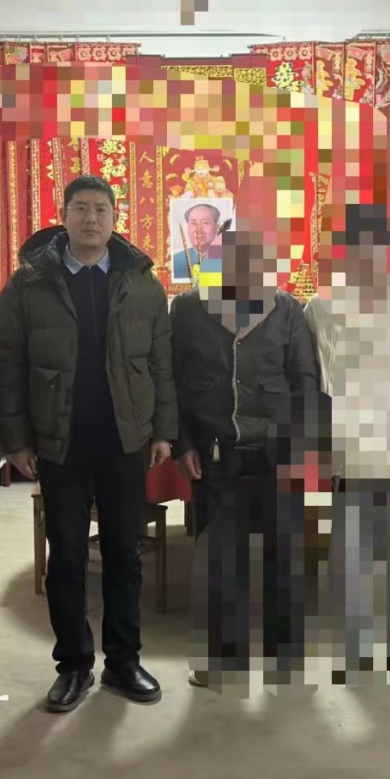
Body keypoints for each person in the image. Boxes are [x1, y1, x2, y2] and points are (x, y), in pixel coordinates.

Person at [0, 175, 177, 713]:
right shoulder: (29, 284)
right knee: (68, 556)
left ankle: (123, 660)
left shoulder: (141, 283)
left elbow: (160, 363)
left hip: (125, 438)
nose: (91, 218)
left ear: (115, 218)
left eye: (100, 209)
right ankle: (73, 664)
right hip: (60, 440)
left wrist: (163, 429)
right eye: (81, 209)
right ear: (64, 216)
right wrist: (16, 440)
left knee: (124, 552)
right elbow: (10, 366)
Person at [171, 222, 320, 692]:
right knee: (221, 560)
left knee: (284, 556)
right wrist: (183, 444)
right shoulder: (188, 309)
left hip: (278, 451)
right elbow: (171, 382)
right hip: (215, 452)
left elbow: (305, 381)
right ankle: (221, 657)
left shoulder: (286, 308)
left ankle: (285, 654)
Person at [304, 204, 390, 687]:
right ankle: (355, 648)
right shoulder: (321, 307)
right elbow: (315, 376)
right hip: (346, 445)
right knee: (350, 552)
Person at [173, 202, 224, 280]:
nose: (198, 229)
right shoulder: (176, 261)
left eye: (205, 223)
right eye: (193, 223)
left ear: (217, 228)